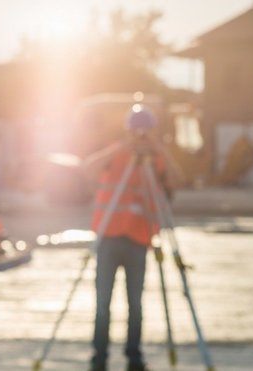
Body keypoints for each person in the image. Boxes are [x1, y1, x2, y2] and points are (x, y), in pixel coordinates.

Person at [83, 104, 183, 371]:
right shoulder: (115, 154)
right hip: (109, 238)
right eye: (137, 132)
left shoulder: (157, 160)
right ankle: (99, 357)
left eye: (146, 132)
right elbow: (87, 169)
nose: (141, 137)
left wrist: (160, 150)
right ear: (128, 131)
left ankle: (134, 356)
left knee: (135, 304)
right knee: (103, 303)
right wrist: (122, 147)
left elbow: (178, 181)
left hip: (139, 239)